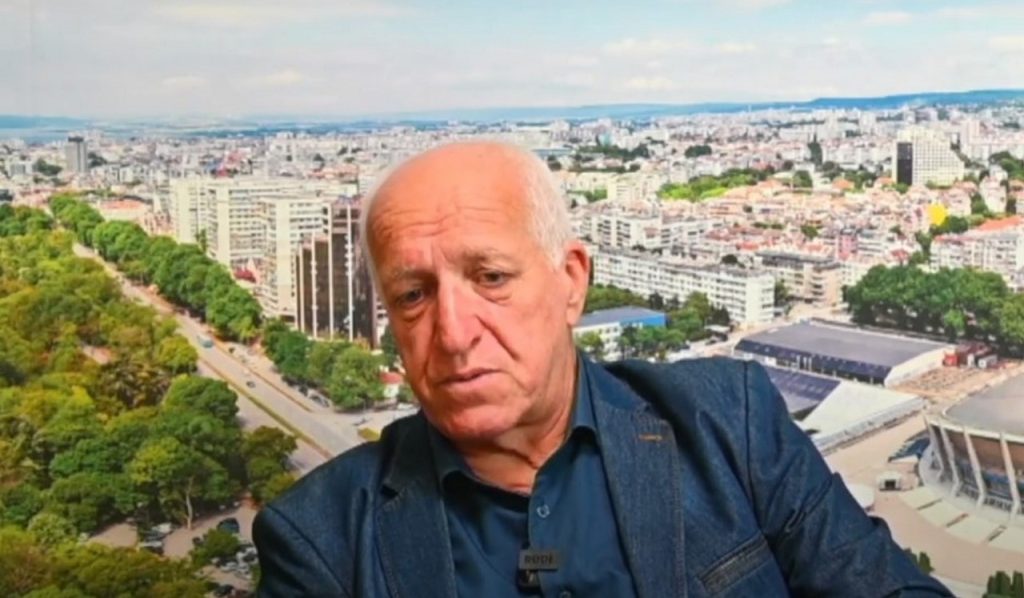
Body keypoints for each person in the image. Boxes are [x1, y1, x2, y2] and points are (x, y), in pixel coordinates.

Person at [253, 141, 951, 597]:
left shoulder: (726, 422)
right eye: (413, 295)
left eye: (491, 277)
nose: (455, 333)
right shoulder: (322, 540)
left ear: (572, 282)